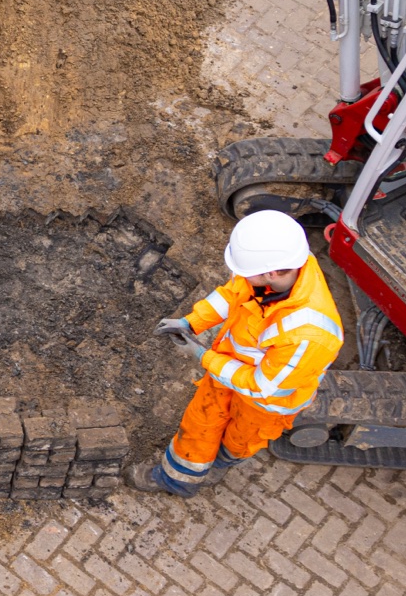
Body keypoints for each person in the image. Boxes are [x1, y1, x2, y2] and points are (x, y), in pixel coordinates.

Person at [138, 209, 343, 496]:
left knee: (237, 442)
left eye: (245, 272)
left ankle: (218, 466)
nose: (237, 276)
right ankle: (176, 481)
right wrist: (191, 322)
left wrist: (203, 356)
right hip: (228, 372)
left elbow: (262, 387)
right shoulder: (285, 265)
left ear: (271, 273)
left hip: (263, 404)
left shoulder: (309, 335)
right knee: (200, 424)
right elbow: (233, 293)